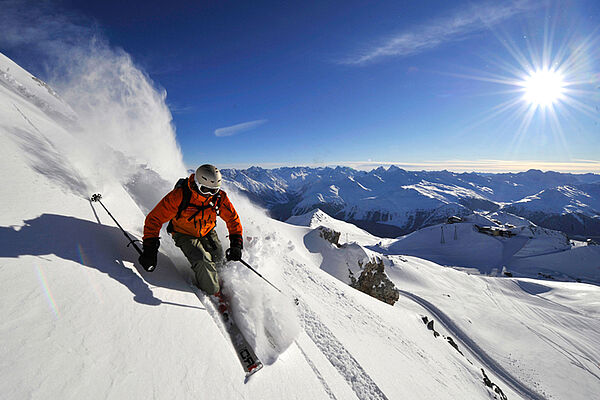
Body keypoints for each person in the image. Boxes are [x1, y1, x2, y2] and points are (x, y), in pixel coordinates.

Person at [138, 164, 243, 296]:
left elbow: (232, 219)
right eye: (205, 190)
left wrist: (236, 244)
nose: (210, 194)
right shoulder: (179, 196)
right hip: (184, 233)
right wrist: (149, 249)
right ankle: (212, 293)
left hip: (207, 231)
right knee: (202, 260)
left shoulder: (219, 198)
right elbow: (154, 219)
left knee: (218, 259)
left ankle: (215, 280)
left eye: (214, 190)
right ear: (197, 184)